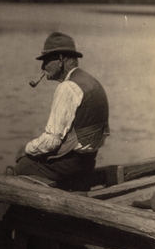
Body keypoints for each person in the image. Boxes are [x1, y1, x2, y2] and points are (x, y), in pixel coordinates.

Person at [13, 32, 110, 191]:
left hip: (68, 166)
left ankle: (5, 217)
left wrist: (25, 149)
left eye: (46, 60)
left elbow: (52, 141)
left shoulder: (67, 88)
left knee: (18, 170)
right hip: (88, 162)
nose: (42, 67)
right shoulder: (92, 82)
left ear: (60, 60)